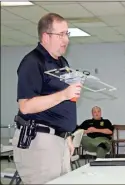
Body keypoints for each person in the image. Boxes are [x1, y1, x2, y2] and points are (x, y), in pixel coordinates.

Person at [12, 13, 82, 184]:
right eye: (61, 34)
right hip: (40, 141)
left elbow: (62, 105)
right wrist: (64, 94)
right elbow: (26, 106)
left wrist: (68, 136)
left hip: (60, 140)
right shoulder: (33, 62)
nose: (66, 39)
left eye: (67, 34)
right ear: (45, 36)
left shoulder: (62, 63)